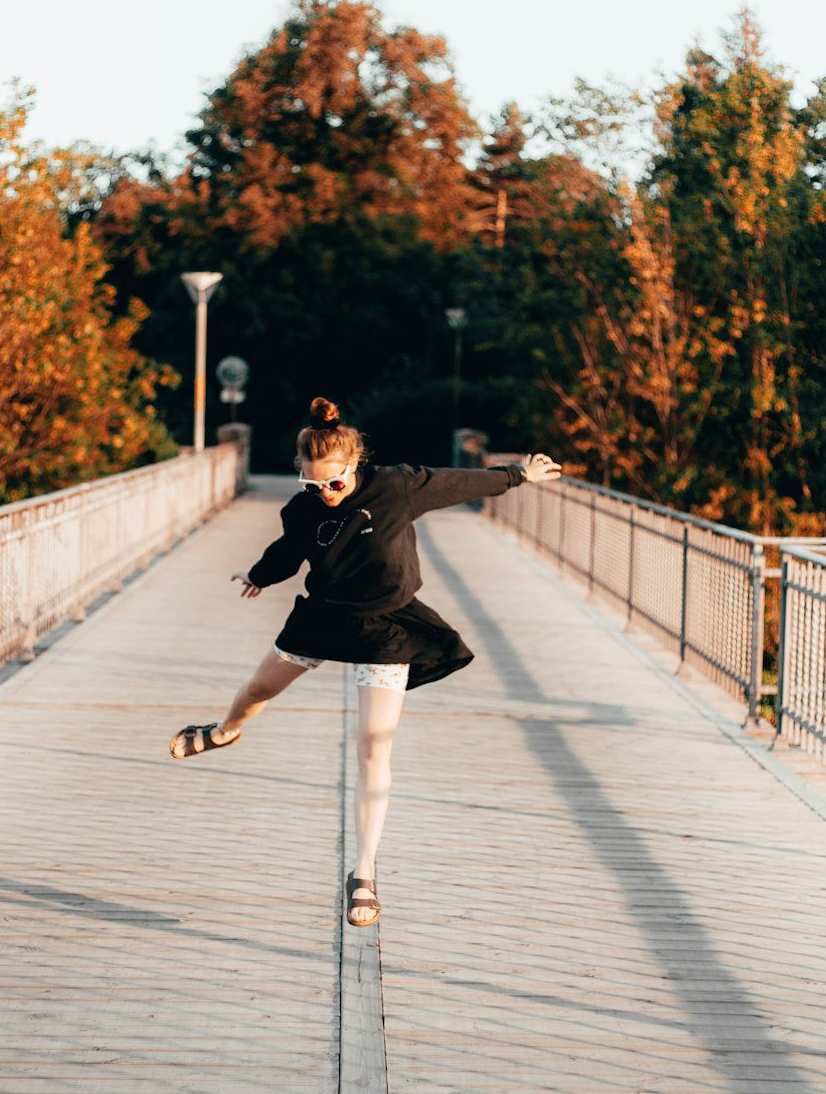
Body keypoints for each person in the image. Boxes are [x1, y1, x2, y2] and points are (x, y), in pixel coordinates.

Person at [171, 397, 562, 927]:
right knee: (256, 692)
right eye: (313, 486)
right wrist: (260, 575)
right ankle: (222, 732)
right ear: (301, 476)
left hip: (388, 626)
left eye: (334, 483)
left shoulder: (396, 486)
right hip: (324, 618)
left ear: (354, 467)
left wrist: (518, 475)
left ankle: (363, 874)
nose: (325, 494)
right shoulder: (304, 508)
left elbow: (458, 483)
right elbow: (290, 549)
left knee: (374, 747)